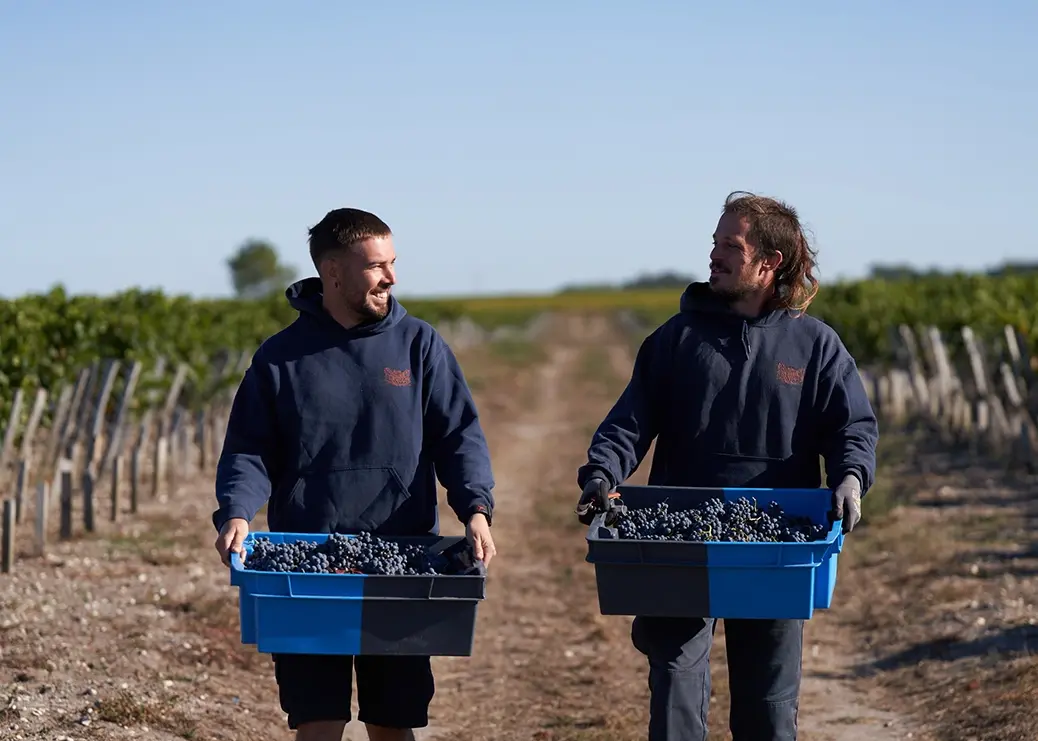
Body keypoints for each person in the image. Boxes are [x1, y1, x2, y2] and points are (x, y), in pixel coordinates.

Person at [574, 191, 878, 741]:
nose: (714, 255)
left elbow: (851, 427)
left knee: (767, 704)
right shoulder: (676, 340)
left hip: (778, 547)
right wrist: (602, 472)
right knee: (674, 686)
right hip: (679, 539)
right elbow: (630, 422)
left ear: (770, 262)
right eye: (714, 243)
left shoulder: (815, 347)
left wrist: (850, 479)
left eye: (729, 246)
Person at [211, 207, 497, 741]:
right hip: (305, 569)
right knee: (318, 723)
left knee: (392, 723)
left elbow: (458, 434)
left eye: (393, 263)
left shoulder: (420, 345)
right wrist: (237, 512)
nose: (391, 277)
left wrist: (476, 509)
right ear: (333, 273)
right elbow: (249, 449)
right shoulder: (280, 358)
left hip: (402, 565)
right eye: (376, 266)